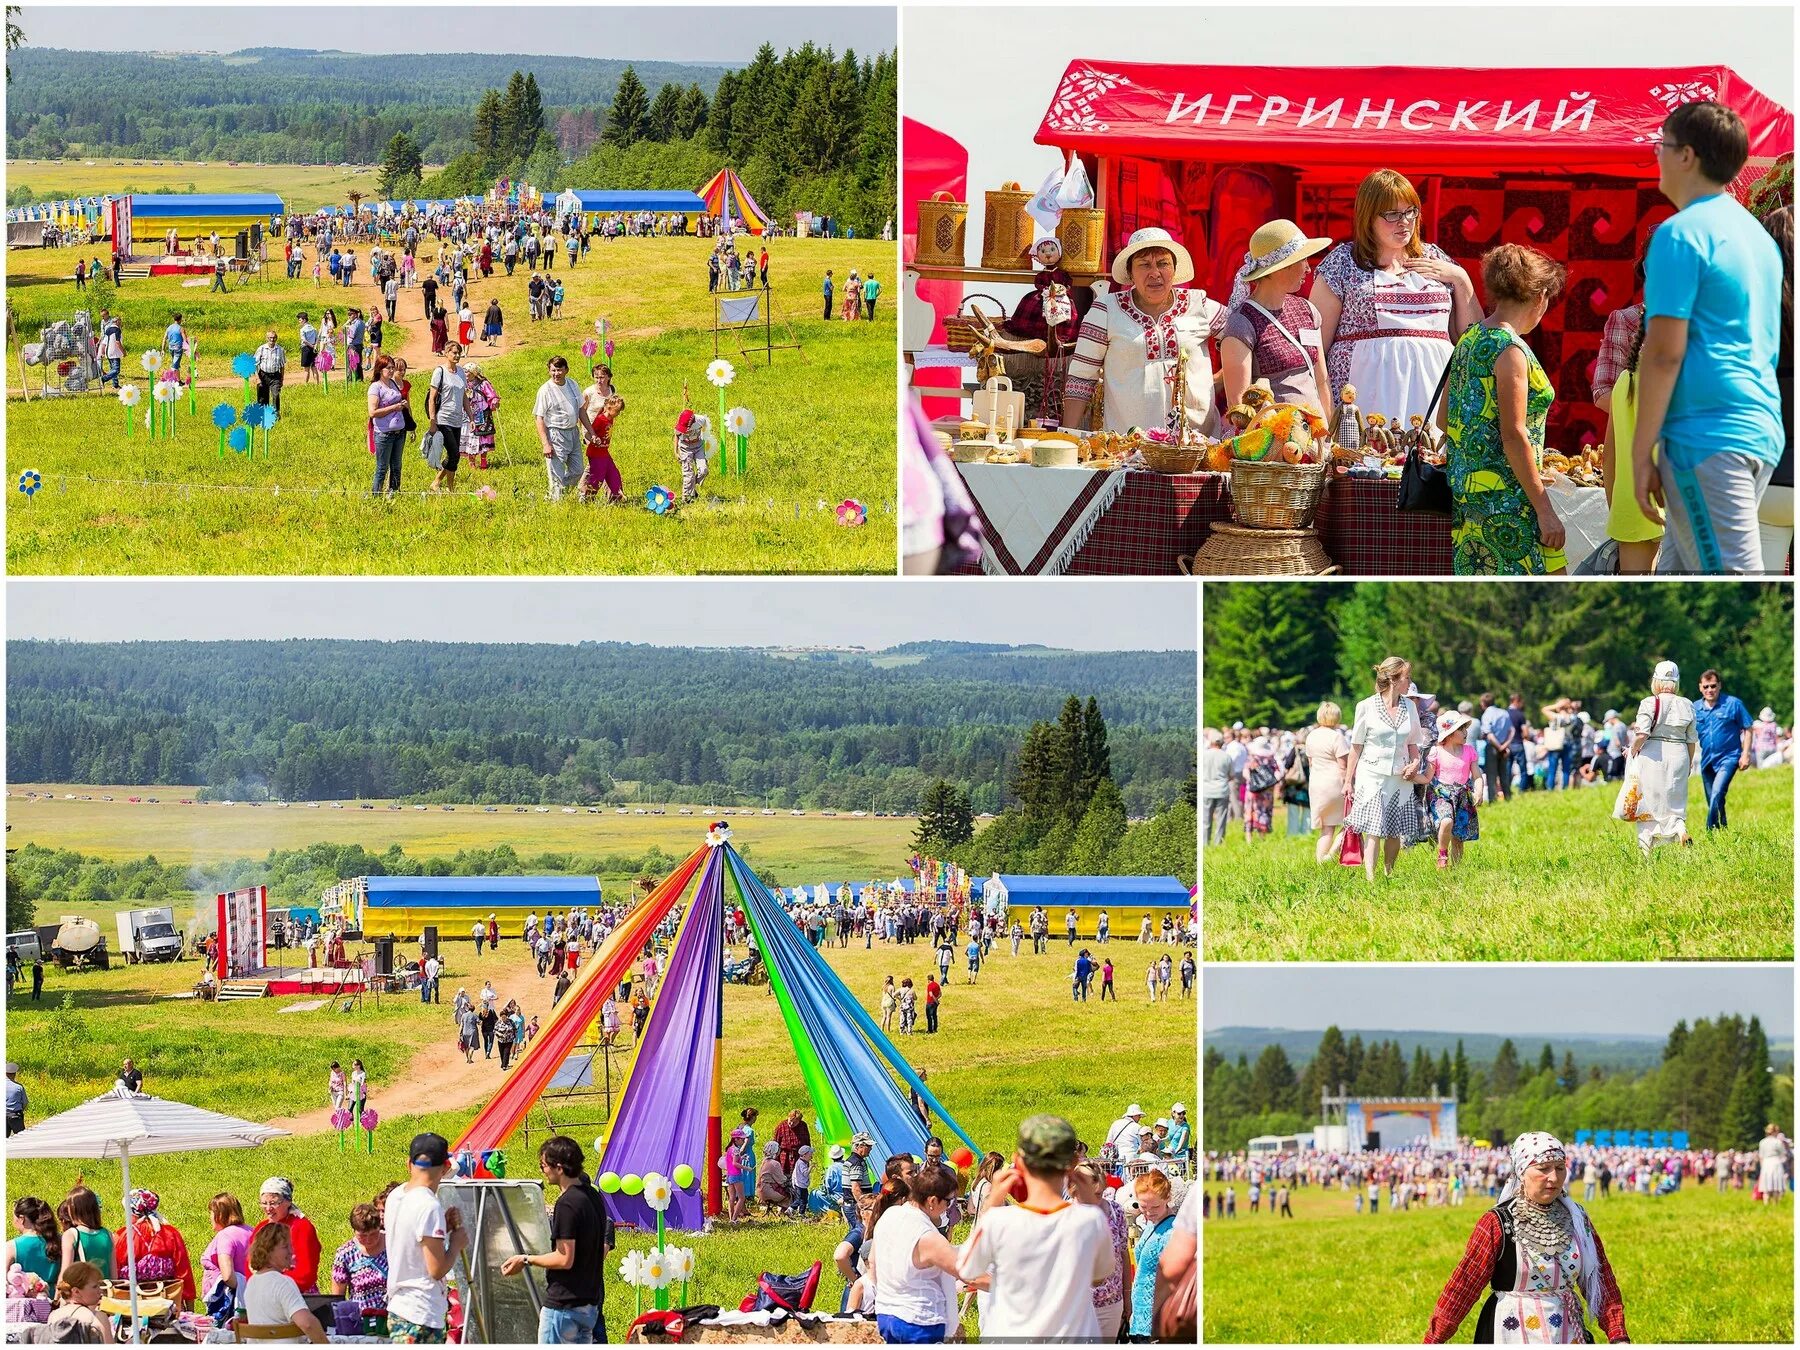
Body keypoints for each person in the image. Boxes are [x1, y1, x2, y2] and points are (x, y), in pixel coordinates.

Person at [1631, 102, 1786, 574]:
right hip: (1756, 428)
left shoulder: (1680, 235)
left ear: (1687, 156)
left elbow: (1662, 354)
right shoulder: (1758, 236)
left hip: (1708, 436)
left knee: (1732, 587)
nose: (1657, 154)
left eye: (1663, 144)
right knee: (1677, 585)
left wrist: (1641, 453)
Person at [1315, 169, 1482, 427]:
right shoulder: (1343, 262)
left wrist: (1461, 279)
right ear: (1367, 217)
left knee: (1429, 463)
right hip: (1366, 396)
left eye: (1410, 211)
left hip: (1434, 396)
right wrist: (1324, 413)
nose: (1404, 222)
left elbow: (1472, 340)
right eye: (1392, 214)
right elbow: (1315, 349)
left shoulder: (1436, 259)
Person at [1440, 244, 1569, 574]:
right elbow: (1514, 435)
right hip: (1511, 504)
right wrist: (1544, 509)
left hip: (1470, 502)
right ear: (1539, 297)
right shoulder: (1510, 349)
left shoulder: (1468, 339)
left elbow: (1445, 419)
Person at [1426, 1132, 1626, 1343]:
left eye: (1560, 1168)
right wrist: (1433, 1341)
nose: (1554, 1177)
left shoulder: (1577, 1219)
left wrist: (1618, 1335)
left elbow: (1603, 1281)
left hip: (1568, 1332)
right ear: (1522, 1172)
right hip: (1511, 1330)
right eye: (1543, 1169)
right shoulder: (1497, 1223)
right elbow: (1463, 1287)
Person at [956, 1115, 1114, 1341]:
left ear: (1018, 1162)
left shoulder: (1000, 1221)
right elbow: (1099, 1276)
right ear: (1071, 1165)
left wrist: (992, 1202)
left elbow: (967, 1269)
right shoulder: (1089, 1221)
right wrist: (1088, 1197)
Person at [1063, 227, 1227, 436]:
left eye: (1163, 263)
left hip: (1197, 445)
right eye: (1144, 265)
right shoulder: (1106, 309)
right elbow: (1081, 378)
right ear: (1130, 273)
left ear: (1174, 270)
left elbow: (1241, 340)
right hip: (1127, 447)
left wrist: (1215, 382)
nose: (1155, 273)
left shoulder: (1199, 304)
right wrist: (1066, 437)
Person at [500, 1136, 612, 1343]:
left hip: (564, 1307)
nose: (543, 1170)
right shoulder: (592, 1196)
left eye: (544, 1165)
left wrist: (525, 1259)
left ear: (559, 1168)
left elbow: (564, 1258)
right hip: (589, 1305)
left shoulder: (567, 1203)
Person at [1221, 219, 1333, 412]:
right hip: (1273, 438)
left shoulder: (1308, 310)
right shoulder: (1241, 323)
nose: (1308, 268)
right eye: (1302, 260)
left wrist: (1327, 434)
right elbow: (1238, 404)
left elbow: (1321, 380)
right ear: (1282, 267)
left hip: (1315, 438)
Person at [1345, 656, 1428, 881]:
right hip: (1371, 773)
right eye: (1406, 677)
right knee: (1374, 828)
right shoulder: (1365, 707)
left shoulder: (1409, 706)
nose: (1410, 682)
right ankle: (1371, 878)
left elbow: (1413, 743)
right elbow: (1356, 746)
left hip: (1400, 775)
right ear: (1393, 679)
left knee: (1394, 829)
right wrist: (1347, 781)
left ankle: (1388, 873)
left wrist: (1415, 763)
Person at [385, 1131, 470, 1343]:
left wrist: (443, 1226)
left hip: (398, 1307)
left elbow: (411, 1237)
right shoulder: (429, 1206)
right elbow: (436, 1269)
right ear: (446, 1167)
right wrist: (456, 1245)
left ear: (409, 1163)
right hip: (422, 1313)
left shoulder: (396, 1196)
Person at [870, 1165, 964, 1343]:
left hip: (886, 1314)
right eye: (949, 1201)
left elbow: (872, 1262)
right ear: (933, 1201)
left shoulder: (889, 1215)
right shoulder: (928, 1237)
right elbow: (969, 1274)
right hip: (920, 1322)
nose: (948, 1207)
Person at [1627, 660, 1699, 853]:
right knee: (1675, 804)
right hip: (1680, 755)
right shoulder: (1687, 704)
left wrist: (1632, 750)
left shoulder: (1649, 703)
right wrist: (1689, 762)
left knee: (1648, 806)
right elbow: (1691, 739)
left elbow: (1642, 734)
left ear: (1655, 681)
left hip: (1653, 756)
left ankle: (1646, 851)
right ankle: (1679, 829)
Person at [1069, 1158, 1132, 1341]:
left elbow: (1123, 1254)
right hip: (1077, 1304)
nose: (1096, 1199)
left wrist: (1127, 1297)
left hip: (1111, 1303)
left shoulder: (1116, 1211)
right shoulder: (1064, 1215)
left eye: (1100, 1194)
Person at [241, 1224, 327, 1343]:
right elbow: (307, 1323)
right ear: (269, 1250)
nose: (291, 1251)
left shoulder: (251, 1283)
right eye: (285, 1247)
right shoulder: (282, 1282)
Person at [1693, 669, 1754, 831]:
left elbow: (1748, 728)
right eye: (1706, 687)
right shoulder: (1694, 708)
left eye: (1713, 686)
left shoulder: (1733, 704)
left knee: (1717, 793)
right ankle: (1723, 829)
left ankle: (1710, 832)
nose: (1709, 690)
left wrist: (1745, 754)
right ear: (1700, 687)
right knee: (1713, 799)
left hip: (1729, 758)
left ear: (1719, 685)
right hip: (1706, 760)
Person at [114, 1189, 196, 1307]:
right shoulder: (171, 1234)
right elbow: (184, 1273)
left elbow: (115, 1273)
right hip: (168, 1305)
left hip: (132, 1307)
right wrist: (189, 1308)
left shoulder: (123, 1236)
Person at [1426, 710, 1482, 870]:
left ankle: (1457, 869)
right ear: (1449, 734)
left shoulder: (1469, 751)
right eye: (1461, 729)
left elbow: (1477, 775)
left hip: (1462, 796)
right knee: (1446, 821)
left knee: (1458, 836)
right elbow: (1427, 777)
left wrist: (1478, 791)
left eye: (1465, 729)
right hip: (1442, 795)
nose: (1466, 733)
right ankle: (1442, 854)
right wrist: (1412, 776)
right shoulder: (1437, 752)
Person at [1127, 1170, 1178, 1341]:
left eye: (1155, 1207)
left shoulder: (1172, 1232)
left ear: (1168, 1197)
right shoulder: (1152, 1223)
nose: (1148, 1213)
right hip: (1140, 1316)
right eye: (1143, 1206)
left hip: (1156, 1323)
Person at [534, 355, 592, 501]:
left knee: (578, 470)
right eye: (553, 370)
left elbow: (581, 410)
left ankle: (556, 495)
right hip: (555, 434)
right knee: (556, 474)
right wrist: (546, 444)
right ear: (549, 371)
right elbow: (539, 418)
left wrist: (591, 432)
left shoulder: (572, 384)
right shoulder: (545, 390)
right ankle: (556, 502)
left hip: (573, 433)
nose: (556, 374)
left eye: (559, 370)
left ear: (566, 370)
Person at [252, 1178, 321, 1295]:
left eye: (273, 1203)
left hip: (296, 1295)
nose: (268, 1208)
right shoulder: (261, 1228)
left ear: (288, 1202)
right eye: (264, 1203)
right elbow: (250, 1263)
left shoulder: (302, 1227)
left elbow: (307, 1272)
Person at [425, 342, 469, 494]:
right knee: (454, 453)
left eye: (459, 353)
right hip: (443, 419)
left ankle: (444, 485)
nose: (457, 355)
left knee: (454, 456)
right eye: (454, 353)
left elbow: (464, 396)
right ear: (446, 353)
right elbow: (432, 398)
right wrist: (432, 421)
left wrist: (471, 416)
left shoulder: (461, 372)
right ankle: (443, 484)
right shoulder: (440, 372)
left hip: (457, 420)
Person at [328, 1204, 388, 1313]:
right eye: (363, 1236)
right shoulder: (345, 1254)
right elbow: (337, 1298)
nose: (369, 1240)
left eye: (374, 1234)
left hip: (394, 1317)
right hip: (361, 1319)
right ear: (354, 1231)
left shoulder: (392, 1244)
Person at [200, 1193, 252, 1315]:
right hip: (252, 1301)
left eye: (211, 1213)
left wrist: (239, 1291)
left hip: (227, 1307)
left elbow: (228, 1276)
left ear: (220, 1214)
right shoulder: (251, 1231)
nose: (210, 1217)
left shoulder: (225, 1236)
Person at [367, 355, 409, 497]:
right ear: (380, 369)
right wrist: (394, 408)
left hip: (399, 432)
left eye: (393, 368)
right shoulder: (375, 387)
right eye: (389, 368)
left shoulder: (393, 383)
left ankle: (394, 493)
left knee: (397, 466)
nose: (391, 371)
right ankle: (376, 495)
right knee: (382, 467)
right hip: (384, 434)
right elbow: (372, 412)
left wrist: (402, 405)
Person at [59, 1188, 114, 1281]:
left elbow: (65, 1273)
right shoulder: (108, 1234)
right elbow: (113, 1275)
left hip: (82, 1292)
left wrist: (57, 1295)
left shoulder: (71, 1235)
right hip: (105, 1291)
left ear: (73, 1209)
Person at [8, 1197, 61, 1286]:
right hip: (55, 1297)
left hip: (23, 1298)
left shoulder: (11, 1246)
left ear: (22, 1219)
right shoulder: (61, 1240)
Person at [254, 330, 286, 415]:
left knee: (276, 395)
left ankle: (276, 414)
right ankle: (263, 415)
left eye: (274, 338)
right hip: (263, 375)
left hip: (275, 376)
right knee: (263, 398)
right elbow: (255, 364)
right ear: (267, 338)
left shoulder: (280, 349)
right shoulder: (261, 349)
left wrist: (282, 379)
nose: (272, 340)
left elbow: (282, 365)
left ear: (276, 338)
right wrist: (257, 378)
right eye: (270, 338)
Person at [1757, 1124, 1790, 1204]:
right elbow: (1783, 1154)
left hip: (1766, 1163)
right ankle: (1775, 1204)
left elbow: (1761, 1156)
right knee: (1776, 1186)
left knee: (1766, 1186)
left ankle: (1766, 1204)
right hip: (1776, 1163)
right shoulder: (1778, 1142)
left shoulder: (1762, 1142)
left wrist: (1762, 1167)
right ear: (1775, 1132)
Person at [5, 1061, 27, 1135]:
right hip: (15, 1116)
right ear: (14, 1074)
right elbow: (25, 1102)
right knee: (21, 1137)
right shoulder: (19, 1087)